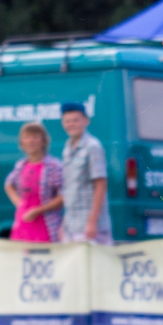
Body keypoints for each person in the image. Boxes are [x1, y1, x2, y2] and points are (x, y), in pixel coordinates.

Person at [60, 102, 113, 245]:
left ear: (86, 121)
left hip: (89, 227)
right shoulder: (67, 148)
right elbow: (70, 188)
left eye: (76, 120)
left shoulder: (92, 146)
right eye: (67, 121)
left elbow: (100, 184)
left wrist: (92, 222)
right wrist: (64, 223)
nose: (71, 124)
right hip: (71, 226)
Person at [4, 122, 63, 243]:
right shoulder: (20, 165)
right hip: (22, 228)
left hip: (47, 228)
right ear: (21, 142)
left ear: (44, 141)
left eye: (35, 137)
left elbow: (64, 196)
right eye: (26, 137)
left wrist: (39, 210)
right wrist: (19, 202)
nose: (31, 141)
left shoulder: (54, 166)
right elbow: (8, 184)